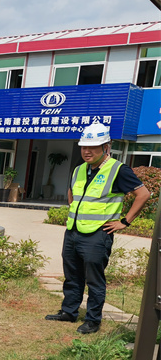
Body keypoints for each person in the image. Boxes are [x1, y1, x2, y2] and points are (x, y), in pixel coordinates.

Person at [45, 123, 150, 335]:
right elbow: (72, 191)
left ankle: (93, 320)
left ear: (106, 147)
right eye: (84, 147)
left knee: (94, 280)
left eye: (93, 147)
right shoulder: (79, 169)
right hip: (73, 232)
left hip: (97, 235)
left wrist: (125, 222)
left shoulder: (118, 170)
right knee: (72, 275)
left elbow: (143, 194)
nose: (87, 151)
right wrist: (74, 209)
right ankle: (69, 312)